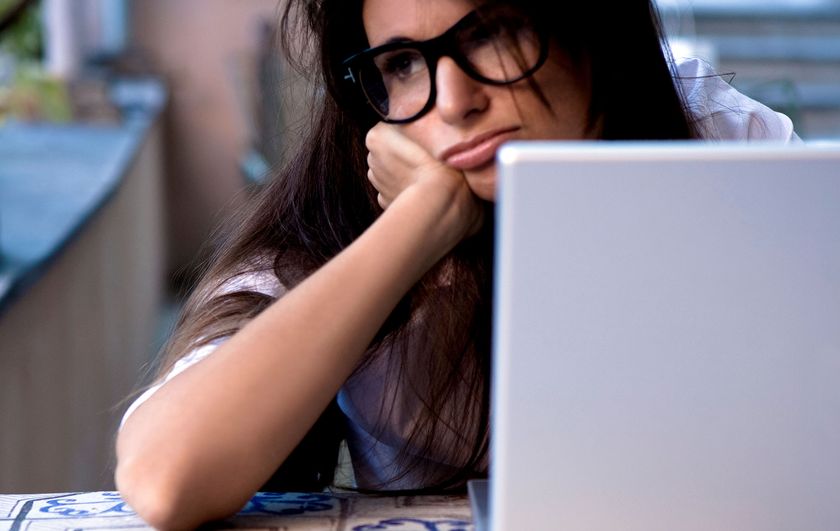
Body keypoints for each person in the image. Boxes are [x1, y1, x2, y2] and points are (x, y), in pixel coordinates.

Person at [114, 0, 798, 529]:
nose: (455, 100)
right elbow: (166, 476)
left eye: (490, 32)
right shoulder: (334, 226)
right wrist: (421, 223)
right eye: (404, 64)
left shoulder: (722, 150)